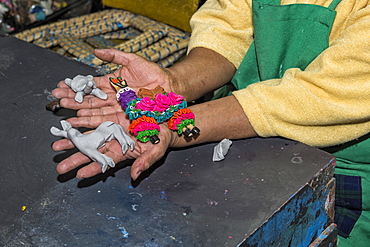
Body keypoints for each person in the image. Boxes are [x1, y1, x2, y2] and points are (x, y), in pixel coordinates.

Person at [51, 0, 370, 246]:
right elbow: (228, 23)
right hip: (250, 143)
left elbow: (326, 94)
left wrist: (177, 122)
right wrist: (175, 81)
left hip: (345, 175)